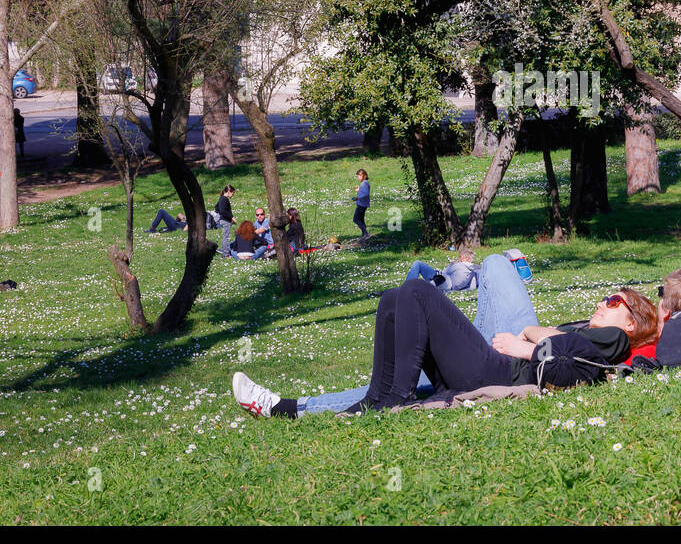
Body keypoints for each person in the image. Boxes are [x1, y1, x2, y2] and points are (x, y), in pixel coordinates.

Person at [233, 274, 659, 417]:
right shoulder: (588, 330)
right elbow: (544, 336)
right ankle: (374, 399)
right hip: (495, 362)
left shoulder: (616, 337)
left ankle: (395, 399)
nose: (603, 303)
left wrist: (528, 346)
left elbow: (565, 362)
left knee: (418, 291)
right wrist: (533, 337)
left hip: (499, 372)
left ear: (632, 319)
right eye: (605, 299)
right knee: (393, 299)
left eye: (615, 301)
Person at [406, 248, 480, 293]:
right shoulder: (472, 271)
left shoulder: (459, 265)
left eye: (460, 257)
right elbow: (472, 286)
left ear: (465, 258)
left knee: (418, 264)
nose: (458, 259)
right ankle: (412, 288)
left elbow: (445, 272)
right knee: (421, 285)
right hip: (447, 285)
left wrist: (451, 264)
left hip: (444, 280)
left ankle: (405, 288)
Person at [212, 185, 236, 257]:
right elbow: (222, 211)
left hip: (223, 220)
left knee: (225, 236)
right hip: (225, 221)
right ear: (229, 191)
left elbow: (217, 208)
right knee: (226, 237)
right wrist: (232, 217)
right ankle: (225, 254)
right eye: (233, 193)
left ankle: (224, 250)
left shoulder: (221, 198)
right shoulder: (224, 199)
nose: (233, 195)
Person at [353, 169, 370, 239]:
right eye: (357, 177)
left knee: (356, 219)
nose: (358, 178)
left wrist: (357, 198)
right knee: (361, 219)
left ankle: (365, 233)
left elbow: (366, 193)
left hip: (362, 205)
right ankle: (364, 235)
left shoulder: (365, 183)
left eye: (359, 176)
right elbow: (363, 191)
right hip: (362, 204)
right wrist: (359, 190)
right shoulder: (364, 183)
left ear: (364, 176)